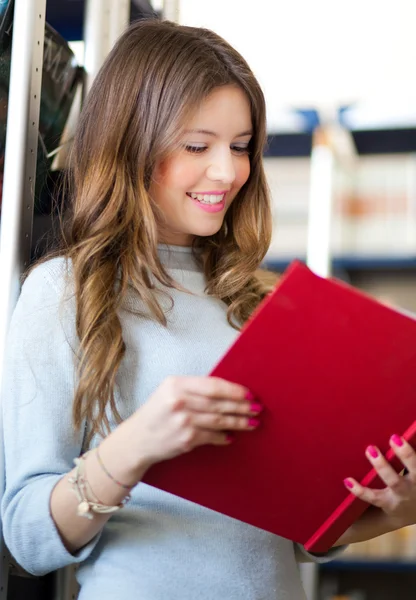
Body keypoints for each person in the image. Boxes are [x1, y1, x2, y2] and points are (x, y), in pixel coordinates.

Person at [2, 18, 416, 600]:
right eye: (197, 146)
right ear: (131, 143)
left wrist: (392, 509)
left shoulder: (262, 301)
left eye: (242, 147)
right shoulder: (65, 291)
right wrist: (133, 447)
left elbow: (294, 535)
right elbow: (24, 540)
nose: (228, 171)